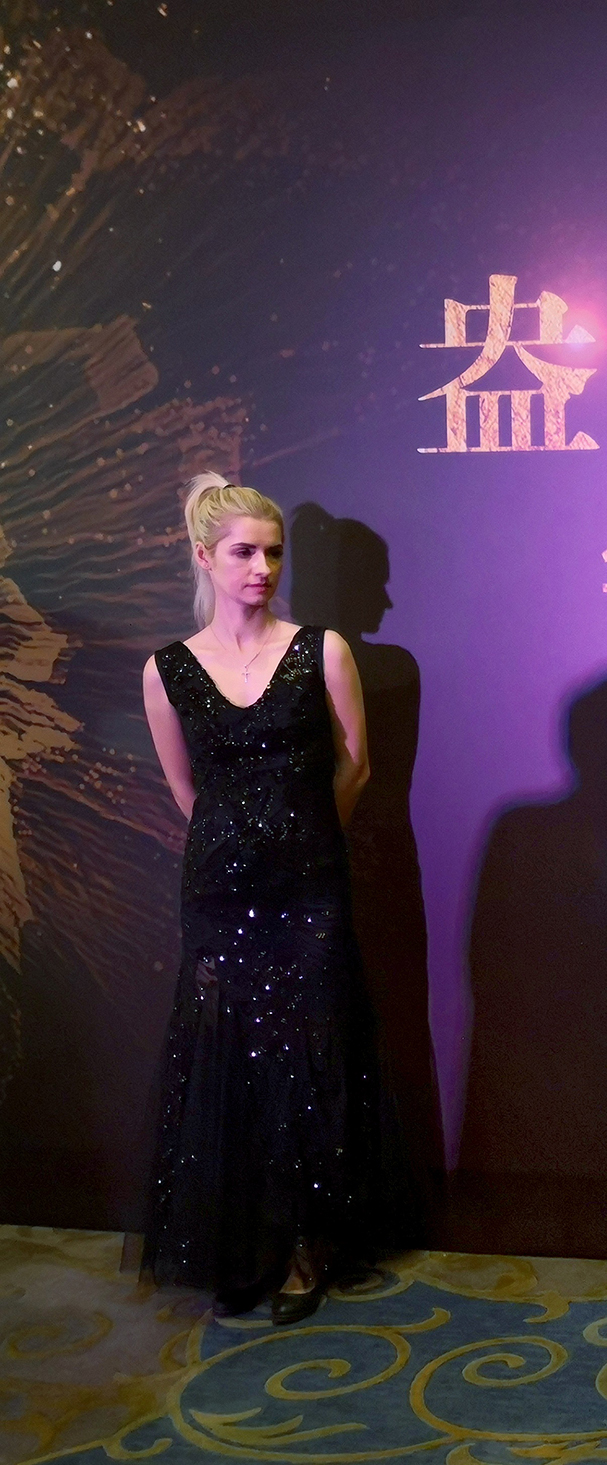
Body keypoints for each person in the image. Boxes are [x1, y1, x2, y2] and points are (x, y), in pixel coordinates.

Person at [139, 473, 411, 1324]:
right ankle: (239, 1244)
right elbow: (184, 790)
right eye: (244, 553)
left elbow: (356, 767)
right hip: (218, 896)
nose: (262, 568)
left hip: (310, 889)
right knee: (226, 1058)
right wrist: (238, 847)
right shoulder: (168, 669)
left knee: (311, 1054)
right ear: (204, 557)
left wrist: (301, 842)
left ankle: (304, 1244)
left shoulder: (323, 650)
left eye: (274, 552)